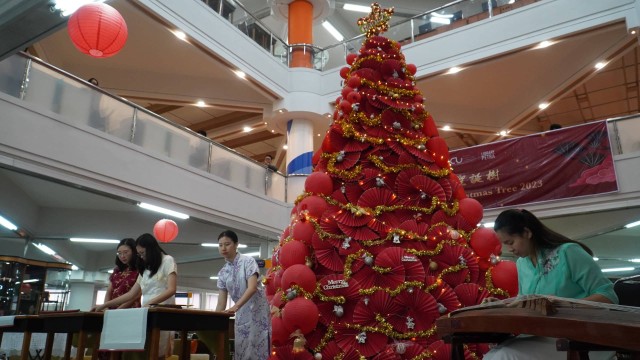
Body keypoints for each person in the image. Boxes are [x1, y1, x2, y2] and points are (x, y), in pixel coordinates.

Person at [483, 209, 618, 360]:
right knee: (493, 355)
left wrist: (562, 305)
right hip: (542, 335)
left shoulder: (568, 252)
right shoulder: (522, 263)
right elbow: (524, 302)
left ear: (527, 232)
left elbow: (608, 297)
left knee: (504, 356)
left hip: (581, 338)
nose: (510, 249)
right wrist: (502, 306)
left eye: (511, 242)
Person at [94, 233, 177, 358]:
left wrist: (150, 304)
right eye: (139, 254)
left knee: (157, 351)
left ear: (151, 249)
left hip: (161, 312)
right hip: (145, 313)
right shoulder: (146, 268)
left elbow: (171, 289)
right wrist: (106, 304)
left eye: (143, 253)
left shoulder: (167, 260)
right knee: (142, 352)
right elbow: (131, 294)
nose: (141, 257)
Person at [215, 230, 270, 360]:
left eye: (227, 244)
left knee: (259, 349)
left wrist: (235, 307)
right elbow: (221, 303)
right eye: (220, 245)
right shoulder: (222, 272)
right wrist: (214, 319)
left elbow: (252, 288)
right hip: (241, 313)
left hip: (258, 311)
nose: (223, 248)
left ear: (236, 244)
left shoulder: (248, 261)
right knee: (242, 350)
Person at [105, 238, 141, 309]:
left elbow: (136, 295)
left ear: (134, 252)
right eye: (119, 253)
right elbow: (109, 291)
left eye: (125, 252)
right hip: (112, 308)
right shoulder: (117, 270)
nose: (122, 256)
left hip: (130, 309)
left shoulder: (140, 269)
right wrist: (105, 307)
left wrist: (119, 310)